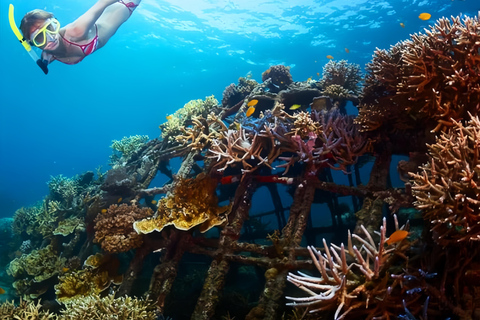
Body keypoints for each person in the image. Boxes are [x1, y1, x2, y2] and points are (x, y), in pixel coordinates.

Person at [19, 0, 141, 65]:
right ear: (34, 44)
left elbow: (102, 3)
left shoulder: (76, 31)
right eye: (40, 38)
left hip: (126, 5)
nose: (50, 38)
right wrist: (45, 62)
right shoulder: (47, 54)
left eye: (50, 28)